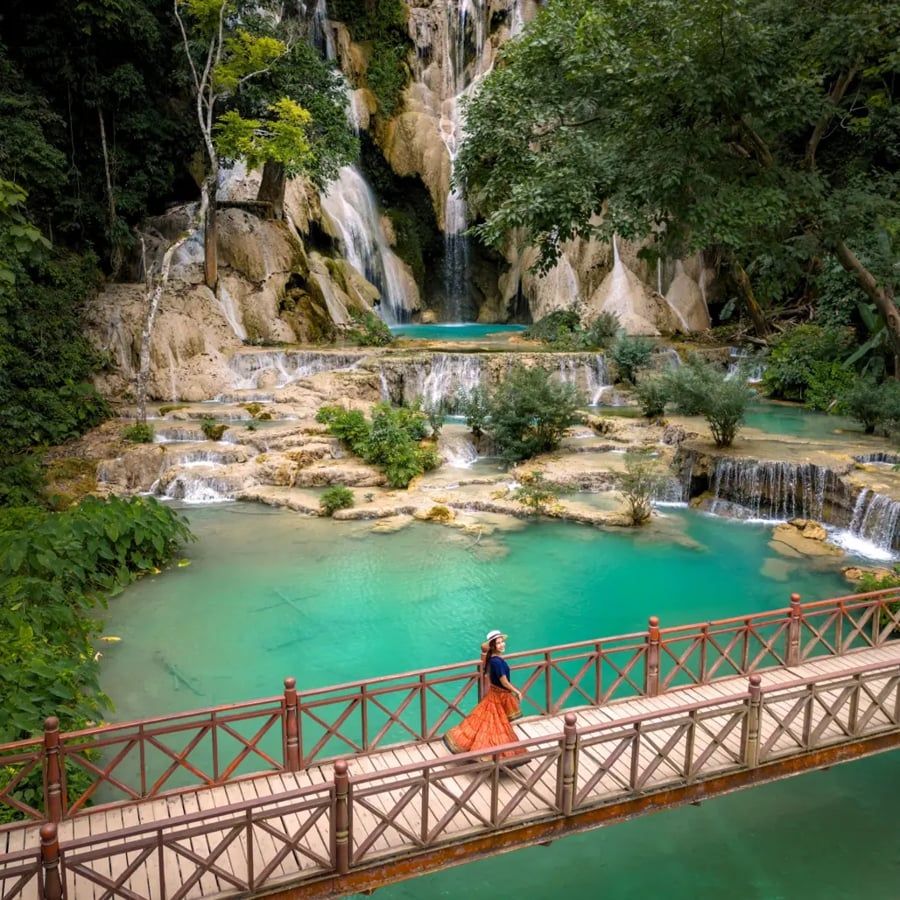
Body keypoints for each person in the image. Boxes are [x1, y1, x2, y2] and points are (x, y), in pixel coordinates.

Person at [442, 629, 525, 761]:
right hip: (499, 696)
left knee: (486, 723)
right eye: (498, 643)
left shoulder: (492, 660)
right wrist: (516, 691)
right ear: (493, 646)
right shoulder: (497, 661)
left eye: (502, 641)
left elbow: (489, 676)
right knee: (496, 725)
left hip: (494, 693)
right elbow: (503, 681)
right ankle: (492, 755)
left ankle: (485, 752)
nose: (502, 644)